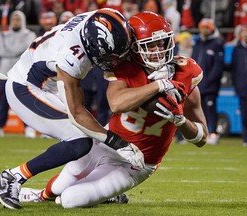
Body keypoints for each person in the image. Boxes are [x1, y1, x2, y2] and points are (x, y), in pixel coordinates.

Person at [18, 11, 208, 208]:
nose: (158, 50)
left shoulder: (187, 73)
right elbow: (116, 103)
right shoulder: (126, 68)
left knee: (70, 200)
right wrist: (159, 85)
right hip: (110, 144)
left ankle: (107, 194)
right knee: (60, 186)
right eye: (150, 45)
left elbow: (202, 137)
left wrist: (181, 121)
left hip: (141, 162)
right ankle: (41, 194)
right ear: (133, 47)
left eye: (161, 43)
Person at [0, 8, 144, 210]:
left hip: (47, 83)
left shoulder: (102, 19)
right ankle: (12, 177)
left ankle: (87, 186)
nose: (114, 61)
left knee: (92, 139)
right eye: (111, 56)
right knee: (81, 141)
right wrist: (117, 142)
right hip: (25, 88)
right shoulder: (72, 55)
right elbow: (77, 113)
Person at [0, 10, 37, 138]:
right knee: (2, 100)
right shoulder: (4, 35)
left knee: (24, 101)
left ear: (23, 20)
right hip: (5, 72)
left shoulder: (30, 35)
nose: (15, 22)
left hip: (22, 73)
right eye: (13, 19)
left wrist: (8, 51)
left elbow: (27, 51)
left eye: (18, 19)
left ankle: (29, 127)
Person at [191, 18, 224, 145]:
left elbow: (218, 67)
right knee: (199, 110)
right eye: (202, 27)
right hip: (197, 84)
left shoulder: (217, 44)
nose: (204, 30)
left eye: (207, 27)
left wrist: (207, 81)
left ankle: (213, 133)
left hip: (210, 86)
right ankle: (200, 133)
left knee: (210, 109)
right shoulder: (198, 43)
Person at [231, 24, 247, 147]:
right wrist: (237, 85)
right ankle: (245, 139)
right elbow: (234, 70)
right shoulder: (237, 50)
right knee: (244, 115)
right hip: (242, 88)